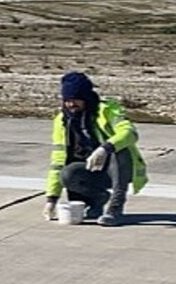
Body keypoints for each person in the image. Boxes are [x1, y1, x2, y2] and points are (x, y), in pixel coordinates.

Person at [42, 72, 148, 226]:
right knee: (67, 173)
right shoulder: (62, 121)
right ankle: (97, 198)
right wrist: (51, 199)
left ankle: (115, 209)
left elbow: (130, 133)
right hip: (89, 169)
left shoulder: (106, 110)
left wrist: (105, 148)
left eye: (76, 100)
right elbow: (58, 161)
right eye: (67, 100)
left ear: (86, 97)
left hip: (116, 169)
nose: (71, 105)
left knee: (119, 151)